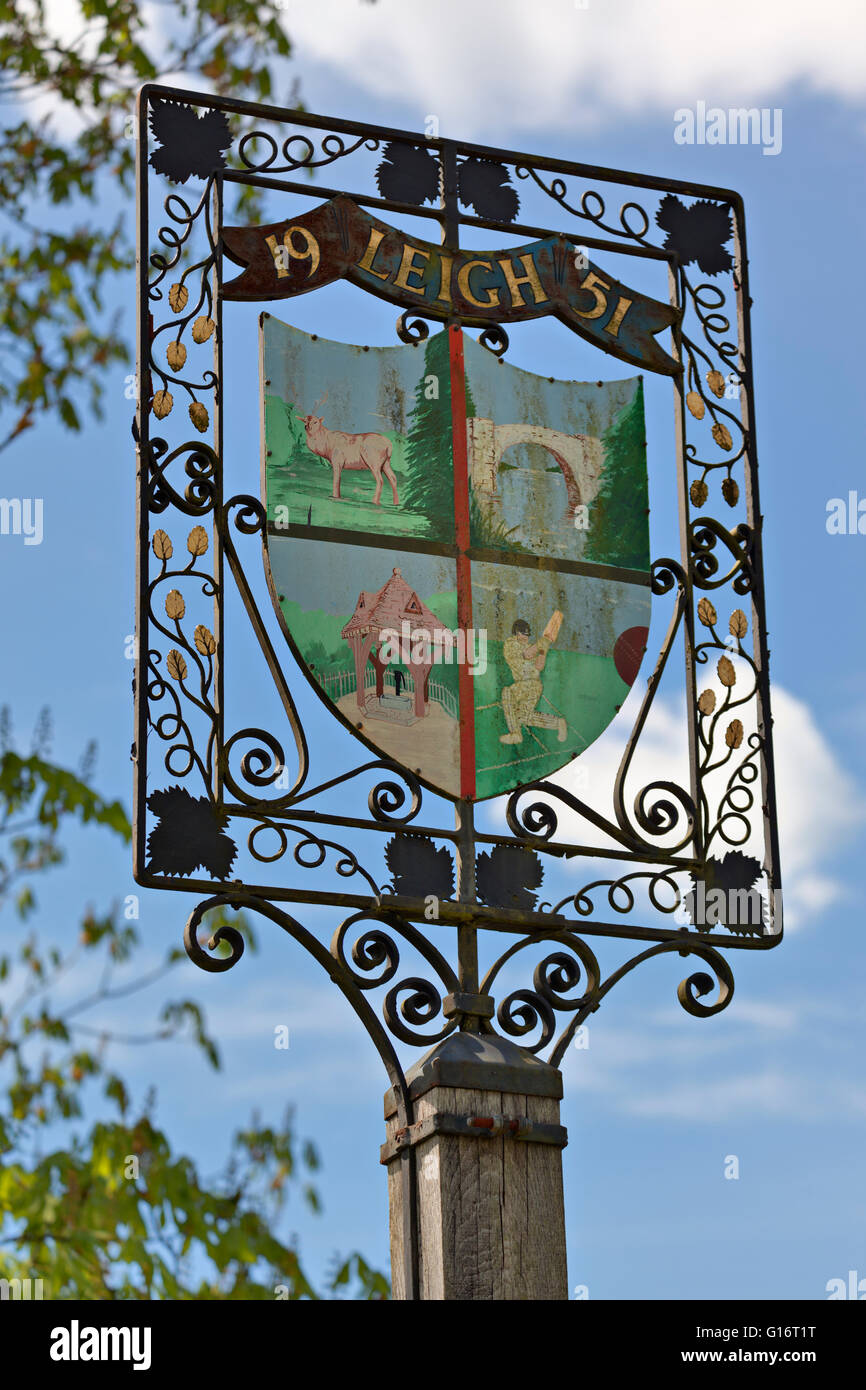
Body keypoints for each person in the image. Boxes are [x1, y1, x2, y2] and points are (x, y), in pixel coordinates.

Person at [499, 619, 567, 745]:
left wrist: (543, 650)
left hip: (533, 685)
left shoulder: (532, 647)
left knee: (507, 692)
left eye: (527, 635)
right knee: (522, 716)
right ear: (516, 633)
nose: (525, 637)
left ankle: (515, 734)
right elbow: (526, 654)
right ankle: (557, 723)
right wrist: (541, 643)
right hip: (523, 685)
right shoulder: (510, 643)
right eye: (523, 634)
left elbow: (539, 666)